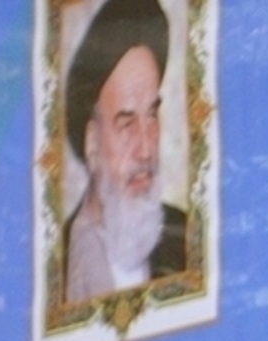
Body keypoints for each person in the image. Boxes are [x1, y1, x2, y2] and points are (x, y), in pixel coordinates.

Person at [61, 0, 186, 303]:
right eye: (127, 124)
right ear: (92, 143)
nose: (146, 149)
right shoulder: (60, 260)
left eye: (152, 116)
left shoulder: (184, 236)